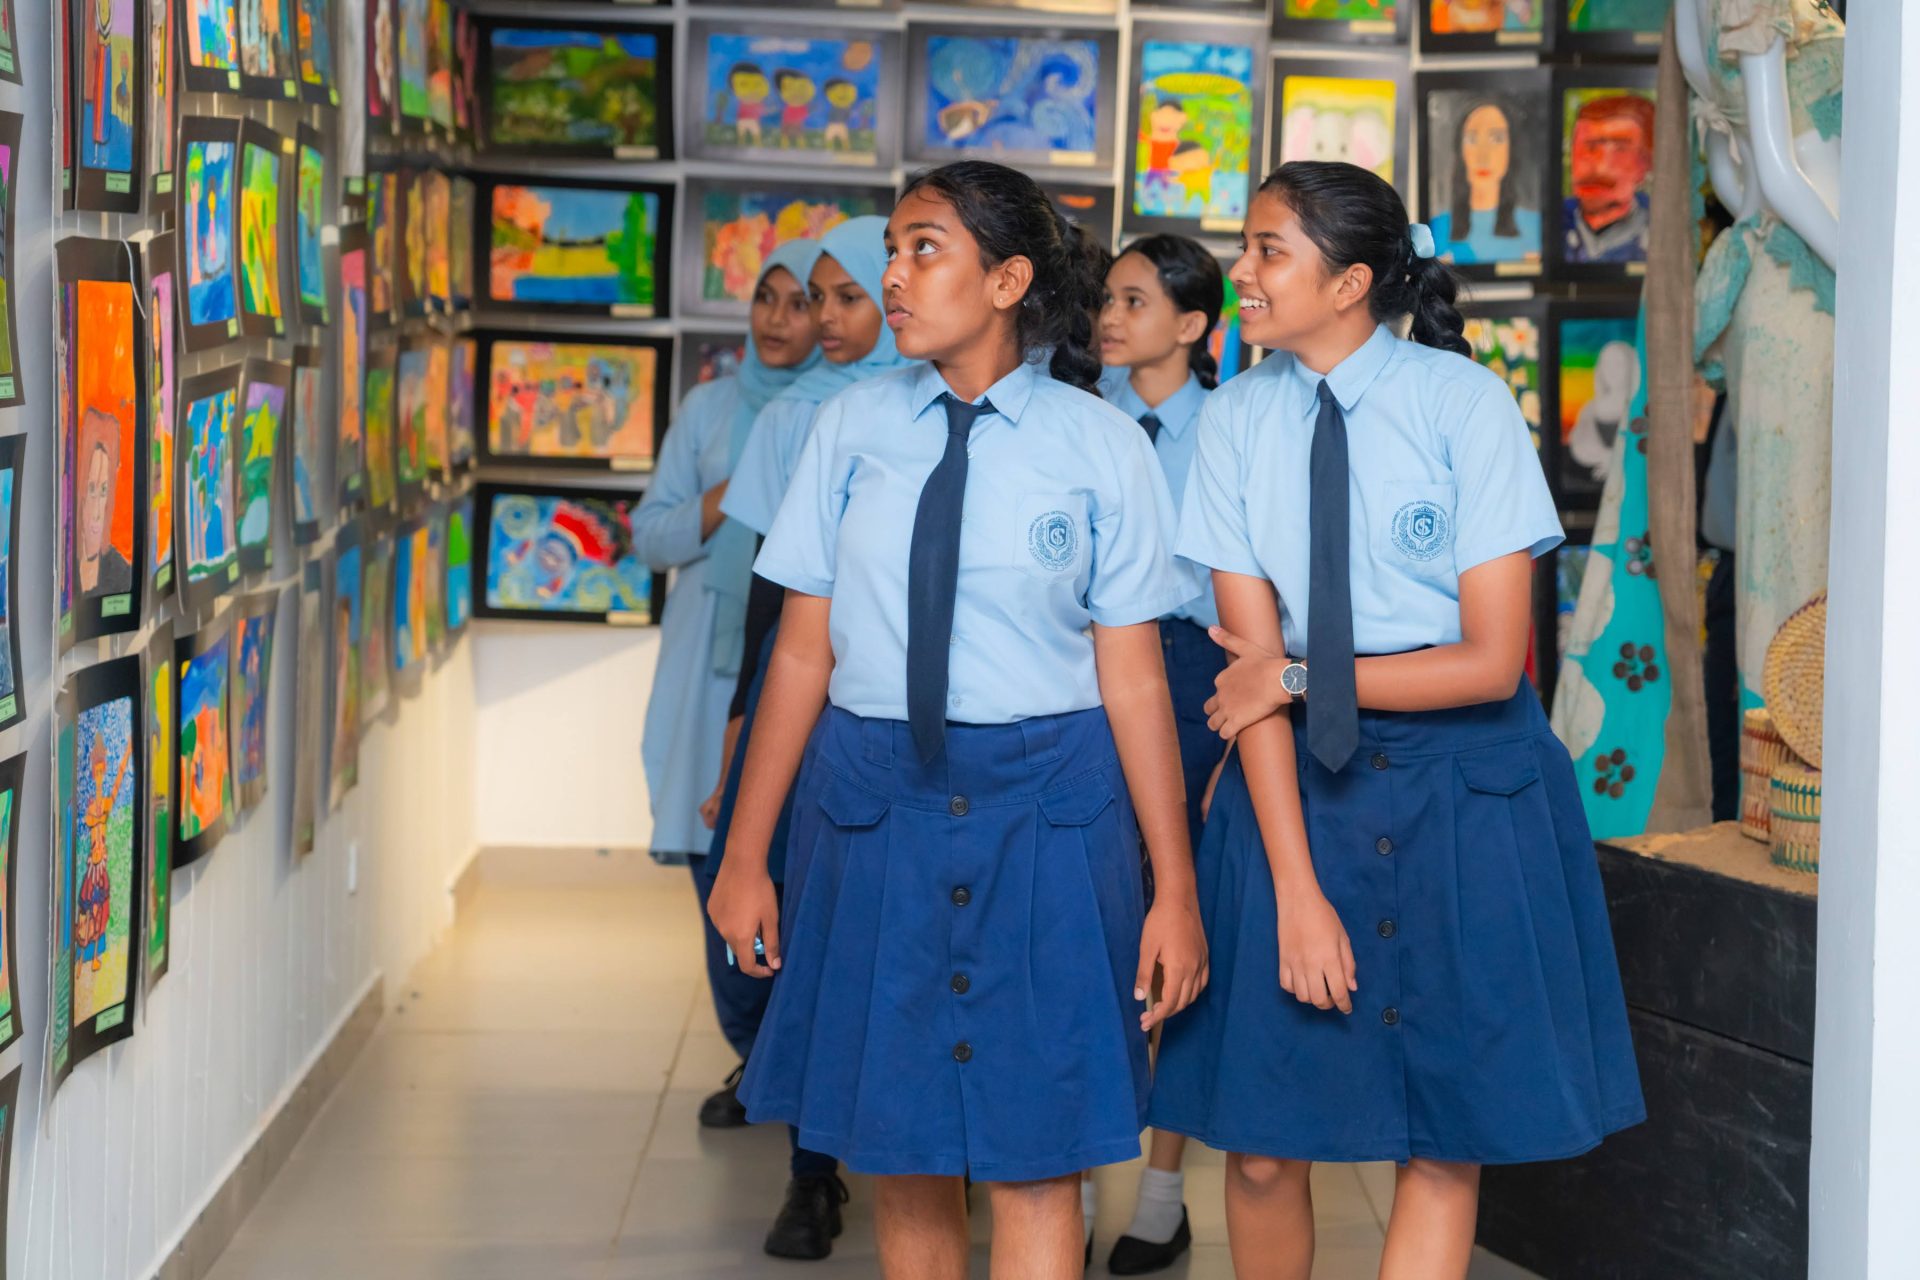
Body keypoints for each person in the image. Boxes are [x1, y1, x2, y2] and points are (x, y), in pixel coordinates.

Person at [707, 159, 1209, 1280]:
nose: (892, 275)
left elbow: (1134, 680)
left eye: (922, 248)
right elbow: (799, 652)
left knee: (1041, 1159)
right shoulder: (848, 430)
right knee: (906, 1149)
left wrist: (1172, 885)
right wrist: (744, 854)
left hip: (1052, 807)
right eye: (893, 248)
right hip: (872, 799)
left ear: (1008, 278)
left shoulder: (1099, 446)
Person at [1149, 160, 1644, 1280]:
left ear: (1352, 280)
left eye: (1270, 249)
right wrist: (1294, 889)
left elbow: (1485, 660)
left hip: (1468, 792)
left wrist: (1300, 677)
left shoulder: (1461, 404)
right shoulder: (1232, 424)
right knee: (1267, 1144)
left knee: (1443, 1130)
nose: (1245, 270)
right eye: (1249, 244)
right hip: (1295, 788)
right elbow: (1247, 671)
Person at [702, 215, 918, 1262]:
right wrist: (743, 729)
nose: (825, 319)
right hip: (800, 704)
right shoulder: (793, 417)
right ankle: (806, 1144)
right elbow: (770, 602)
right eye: (814, 296)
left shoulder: (933, 412)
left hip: (892, 722)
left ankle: (829, 1172)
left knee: (872, 941)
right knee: (760, 937)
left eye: (845, 298)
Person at [633, 239, 823, 1109]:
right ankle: (757, 1048)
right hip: (704, 653)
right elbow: (652, 538)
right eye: (767, 299)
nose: (781, 320)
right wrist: (735, 493)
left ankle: (792, 1058)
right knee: (715, 863)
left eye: (804, 302)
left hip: (797, 660)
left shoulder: (849, 410)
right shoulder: (710, 408)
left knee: (792, 862)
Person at [1094, 234, 1226, 1276]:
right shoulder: (1075, 418)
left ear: (1191, 324)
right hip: (1086, 677)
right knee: (1097, 915)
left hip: (1194, 676)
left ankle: (1163, 1191)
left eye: (1134, 299)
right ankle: (1084, 1165)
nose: (1109, 313)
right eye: (1107, 297)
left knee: (1179, 920)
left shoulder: (1228, 429)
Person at [1428, 99, 1542, 266]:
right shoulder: (1437, 229)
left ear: (1511, 149)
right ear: (1460, 150)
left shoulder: (1534, 228)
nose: (1483, 155)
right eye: (1472, 140)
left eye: (1496, 138)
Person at [1562, 94, 1654, 264]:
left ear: (1646, 163)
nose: (1599, 166)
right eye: (1589, 147)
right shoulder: (1549, 225)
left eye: (1620, 149)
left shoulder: (1663, 231)